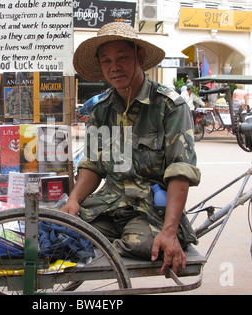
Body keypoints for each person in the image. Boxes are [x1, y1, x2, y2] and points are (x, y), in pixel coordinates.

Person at [62, 22, 200, 274]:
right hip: (107, 205)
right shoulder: (100, 109)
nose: (114, 67)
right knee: (57, 228)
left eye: (122, 58)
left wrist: (169, 231)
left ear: (140, 56)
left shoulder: (170, 107)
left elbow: (181, 171)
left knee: (147, 245)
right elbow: (92, 165)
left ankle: (112, 244)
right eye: (106, 61)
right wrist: (73, 200)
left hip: (149, 211)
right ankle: (103, 241)